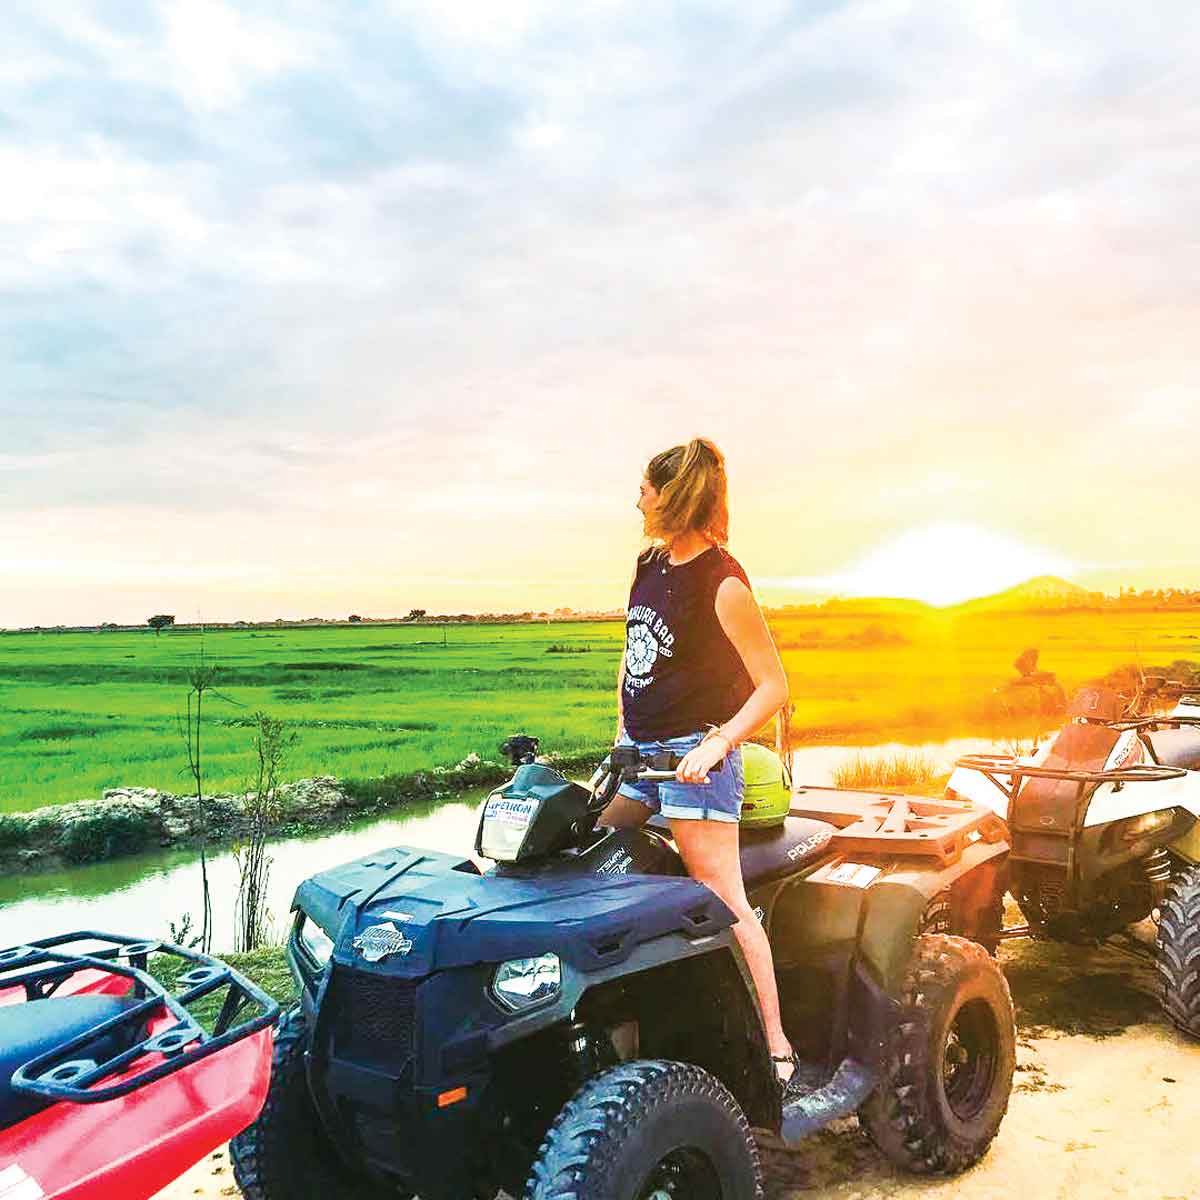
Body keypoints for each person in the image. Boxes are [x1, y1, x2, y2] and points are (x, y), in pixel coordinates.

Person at [601, 437, 798, 1091]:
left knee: (722, 896)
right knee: (592, 852)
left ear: (673, 496)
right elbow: (632, 660)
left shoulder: (724, 583)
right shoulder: (649, 565)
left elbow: (773, 687)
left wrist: (720, 744)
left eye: (646, 489)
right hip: (643, 759)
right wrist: (618, 737)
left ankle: (774, 1045)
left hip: (695, 760)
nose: (637, 498)